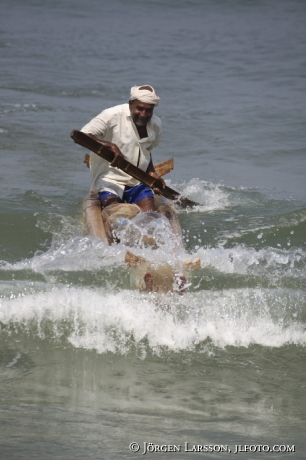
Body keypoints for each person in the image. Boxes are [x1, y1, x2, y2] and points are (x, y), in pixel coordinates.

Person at [81, 85, 165, 211]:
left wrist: (152, 172)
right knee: (116, 214)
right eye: (140, 109)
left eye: (148, 110)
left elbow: (146, 150)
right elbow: (82, 136)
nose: (143, 114)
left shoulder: (156, 124)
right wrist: (108, 145)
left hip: (138, 181)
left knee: (151, 216)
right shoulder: (111, 115)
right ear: (130, 103)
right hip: (110, 180)